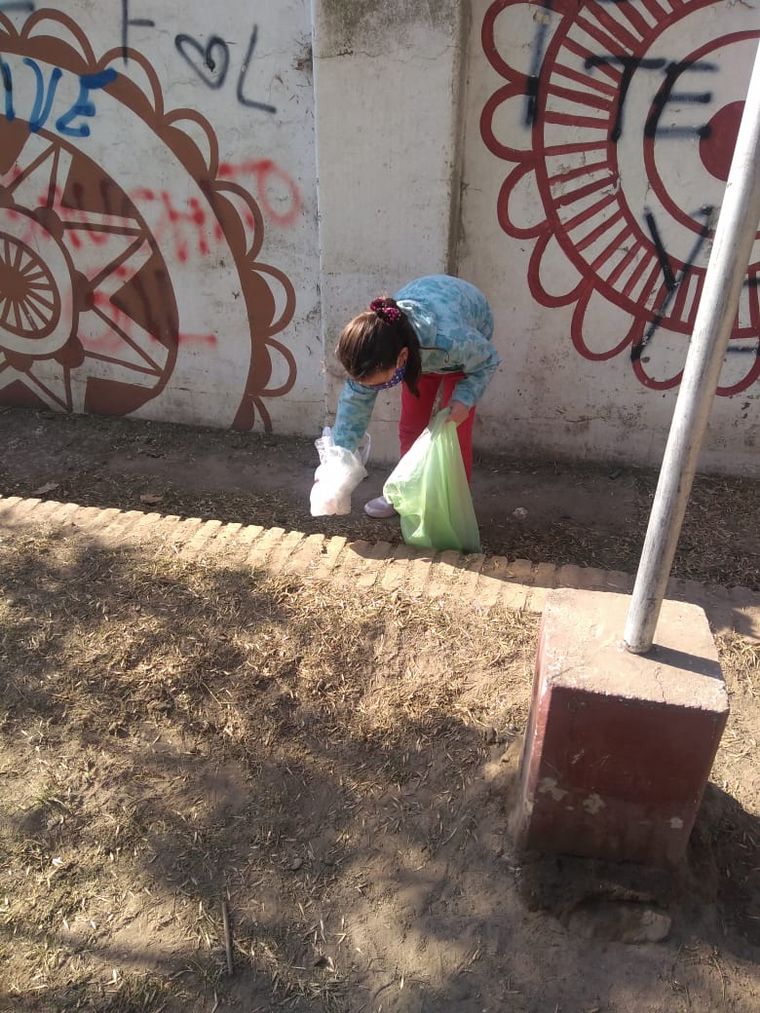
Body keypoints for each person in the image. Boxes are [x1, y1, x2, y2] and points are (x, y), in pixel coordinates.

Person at [331, 274, 500, 517]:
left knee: (454, 428)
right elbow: (355, 404)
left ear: (401, 358)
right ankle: (406, 491)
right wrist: (339, 460)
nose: (376, 388)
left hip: (461, 349)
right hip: (421, 350)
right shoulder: (375, 348)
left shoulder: (453, 340)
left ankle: (454, 503)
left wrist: (465, 399)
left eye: (383, 382)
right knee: (412, 425)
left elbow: (487, 359)